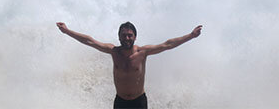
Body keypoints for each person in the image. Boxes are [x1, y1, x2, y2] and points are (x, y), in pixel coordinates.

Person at [56, 21, 203, 109]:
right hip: (120, 102)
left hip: (139, 102)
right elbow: (89, 41)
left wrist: (191, 35)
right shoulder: (113, 51)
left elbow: (168, 44)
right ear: (119, 36)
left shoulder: (143, 52)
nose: (127, 38)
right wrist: (67, 31)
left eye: (130, 35)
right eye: (124, 35)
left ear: (135, 37)